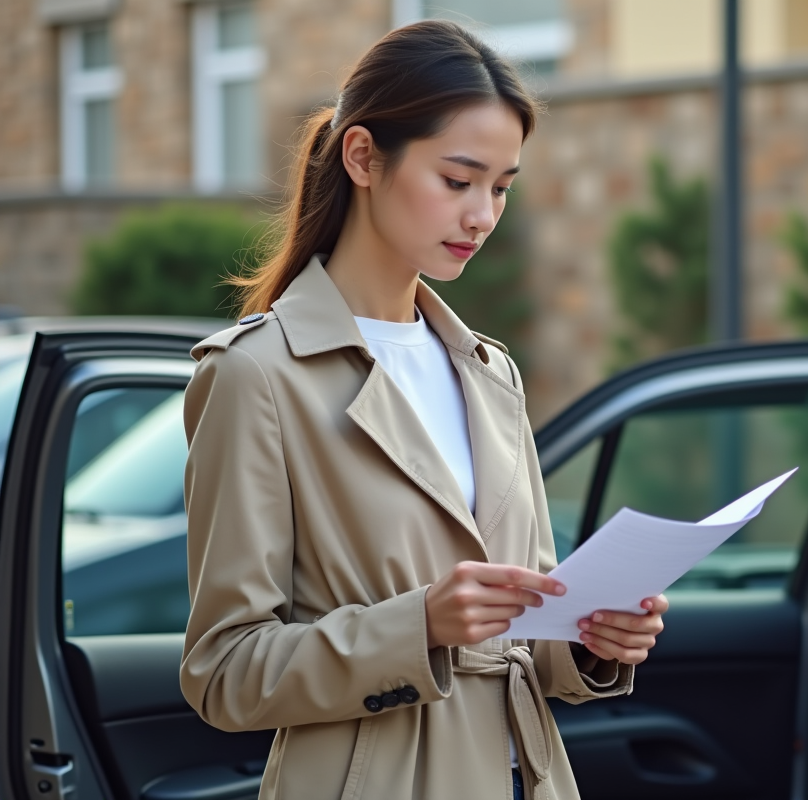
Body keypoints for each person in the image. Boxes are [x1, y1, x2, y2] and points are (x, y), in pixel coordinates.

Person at [179, 20, 667, 800]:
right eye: (458, 179)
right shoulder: (258, 376)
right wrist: (420, 626)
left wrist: (592, 639)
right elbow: (224, 673)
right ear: (364, 156)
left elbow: (522, 623)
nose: (482, 215)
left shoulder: (489, 371)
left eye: (502, 187)